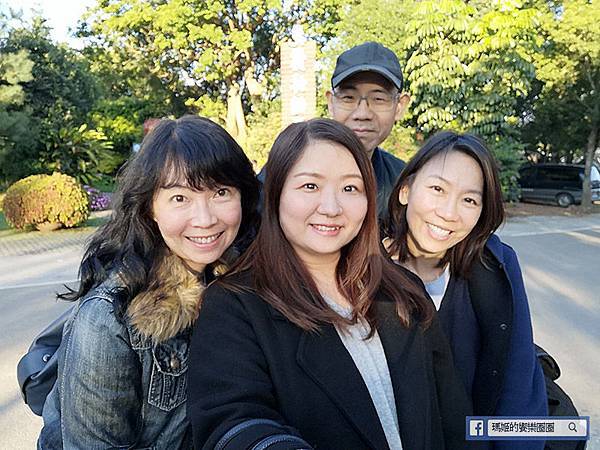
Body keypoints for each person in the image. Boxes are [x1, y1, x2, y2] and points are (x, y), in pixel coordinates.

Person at [187, 118, 473, 450]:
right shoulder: (234, 305)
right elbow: (231, 422)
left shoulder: (403, 291)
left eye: (350, 188)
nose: (331, 208)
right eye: (310, 186)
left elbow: (453, 414)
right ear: (276, 194)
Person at [38, 116, 259, 449]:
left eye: (221, 192)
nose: (205, 219)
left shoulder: (242, 286)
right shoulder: (108, 319)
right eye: (180, 198)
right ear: (150, 208)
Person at [385, 131, 548, 450]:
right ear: (406, 189)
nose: (448, 213)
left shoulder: (494, 268)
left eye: (469, 200)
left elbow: (518, 383)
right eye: (437, 189)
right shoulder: (360, 270)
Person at [259, 41, 410, 222]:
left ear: (400, 106)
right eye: (348, 98)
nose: (362, 113)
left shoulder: (401, 179)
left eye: (378, 99)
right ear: (331, 103)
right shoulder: (288, 165)